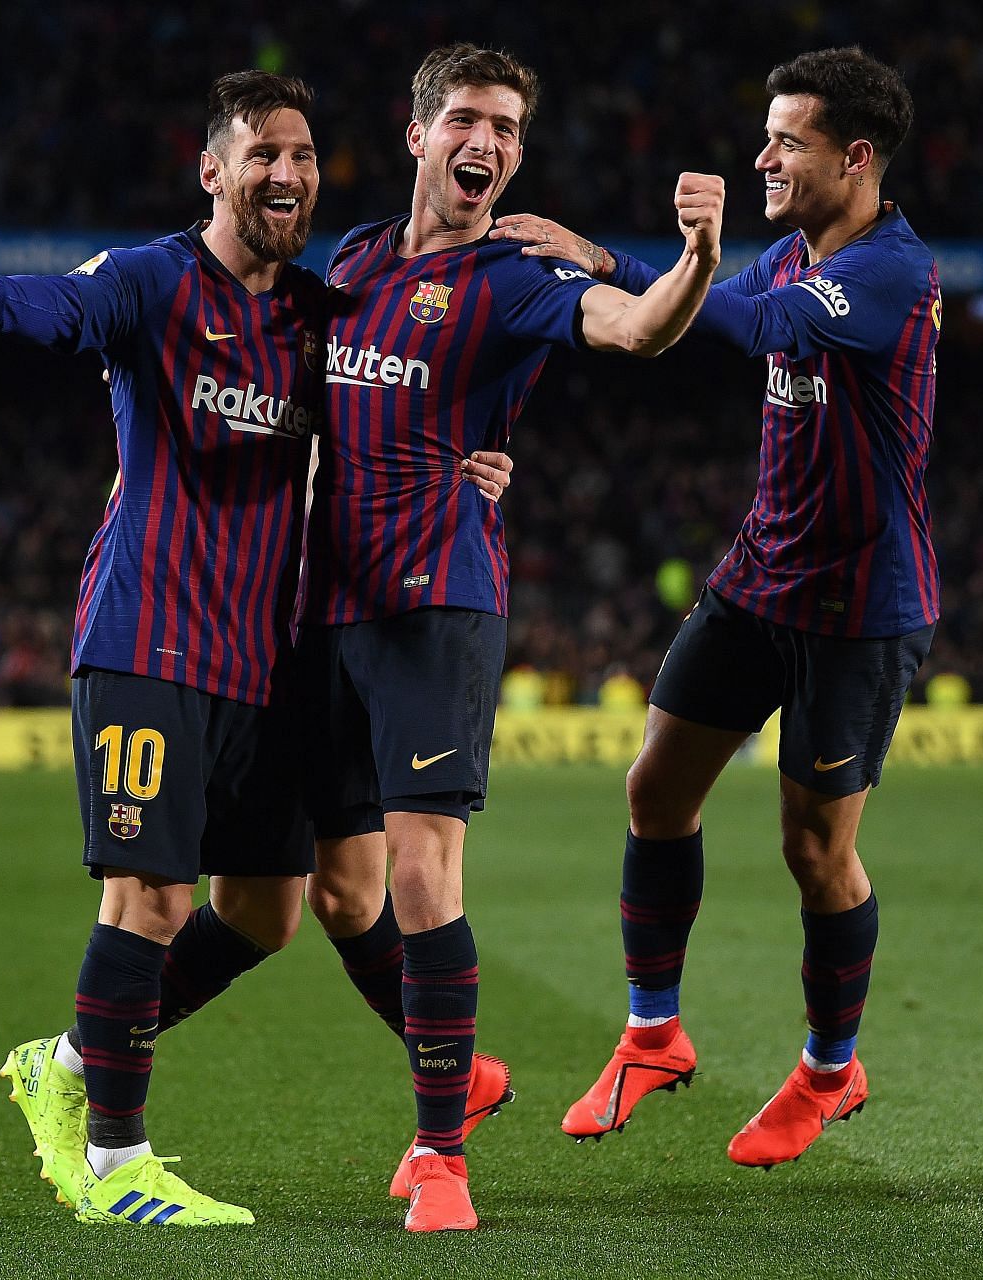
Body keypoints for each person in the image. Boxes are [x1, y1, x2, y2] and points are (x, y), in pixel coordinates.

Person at [0, 72, 515, 1228]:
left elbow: (403, 399)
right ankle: (115, 1160)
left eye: (300, 155)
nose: (285, 173)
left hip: (263, 656)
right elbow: (55, 309)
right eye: (261, 155)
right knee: (146, 891)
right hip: (148, 636)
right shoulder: (151, 281)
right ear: (213, 172)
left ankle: (73, 1059)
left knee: (268, 906)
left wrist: (471, 461)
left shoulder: (316, 310)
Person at [293, 42, 725, 1232]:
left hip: (440, 600)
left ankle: (441, 1153)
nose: (488, 145)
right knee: (340, 892)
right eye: (469, 122)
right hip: (325, 605)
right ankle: (466, 1071)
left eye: (508, 131)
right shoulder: (359, 256)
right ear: (419, 131)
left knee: (424, 875)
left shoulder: (520, 272)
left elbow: (637, 330)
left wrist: (690, 261)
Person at [493, 45, 937, 1168]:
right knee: (655, 787)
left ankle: (831, 1070)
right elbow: (701, 309)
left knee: (815, 850)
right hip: (756, 579)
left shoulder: (890, 273)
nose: (764, 157)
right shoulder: (794, 253)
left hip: (857, 606)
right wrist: (611, 262)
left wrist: (652, 256)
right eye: (768, 135)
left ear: (857, 155)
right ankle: (653, 1031)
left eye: (787, 140)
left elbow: (746, 322)